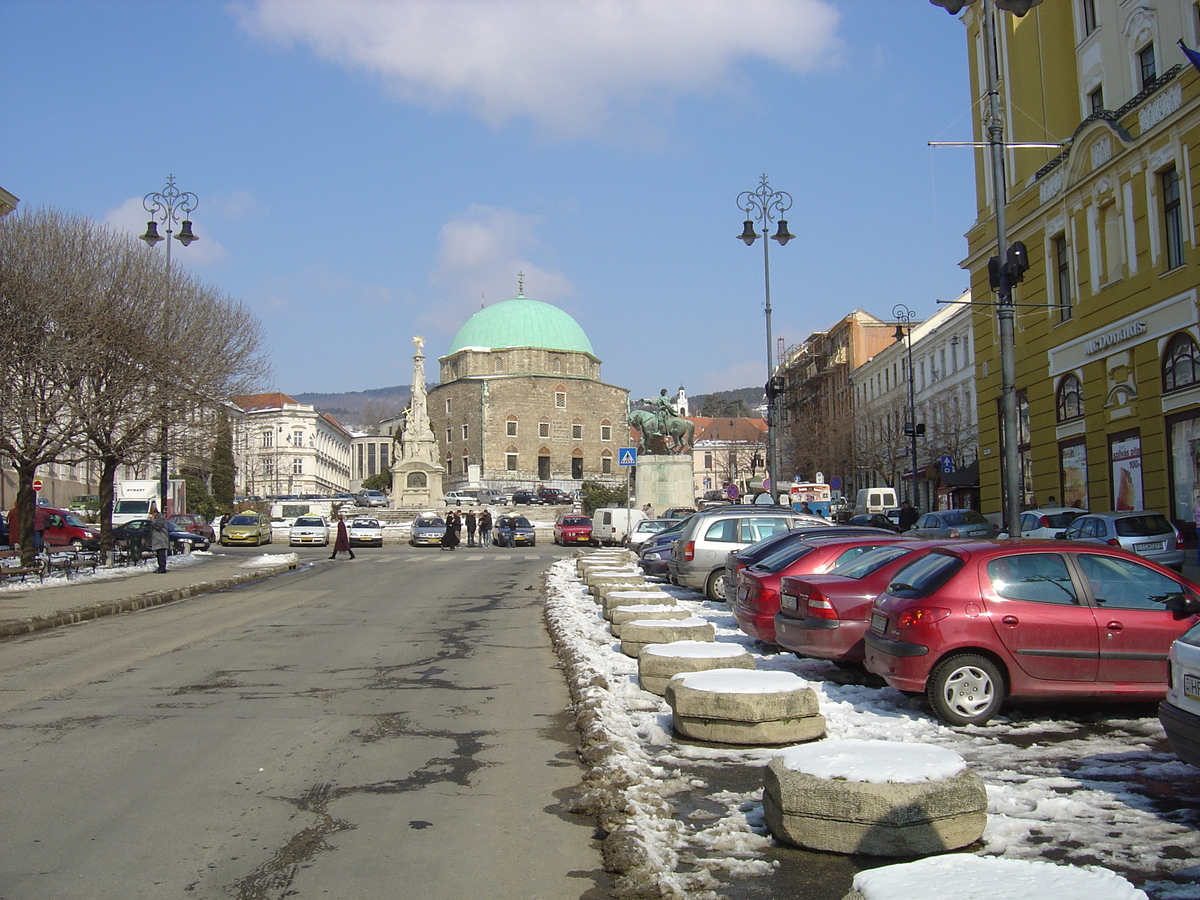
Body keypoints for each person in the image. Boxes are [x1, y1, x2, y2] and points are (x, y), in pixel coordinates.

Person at [149, 505, 171, 574]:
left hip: (161, 540)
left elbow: (158, 526)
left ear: (155, 513)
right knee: (158, 555)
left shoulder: (161, 518)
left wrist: (153, 521)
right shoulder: (157, 518)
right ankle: (160, 567)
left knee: (161, 555)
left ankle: (162, 568)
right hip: (157, 540)